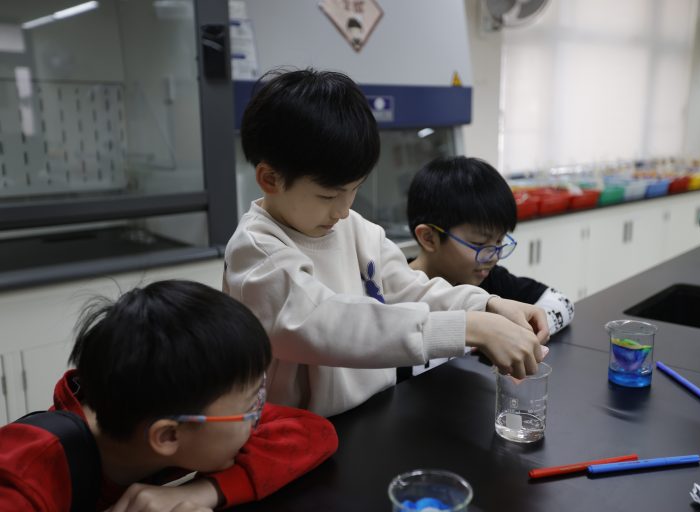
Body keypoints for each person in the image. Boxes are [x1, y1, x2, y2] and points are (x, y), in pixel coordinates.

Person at [224, 68, 549, 418]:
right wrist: (470, 328)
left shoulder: (356, 229)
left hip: (380, 410)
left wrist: (487, 305)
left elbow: (411, 289)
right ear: (270, 179)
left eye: (354, 189)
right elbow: (331, 324)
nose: (343, 210)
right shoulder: (256, 251)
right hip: (304, 431)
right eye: (328, 195)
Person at [0, 280, 337, 511]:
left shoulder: (152, 419)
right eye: (252, 408)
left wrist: (200, 493)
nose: (258, 418)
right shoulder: (23, 480)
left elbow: (313, 432)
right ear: (168, 436)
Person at [406, 156, 574, 376]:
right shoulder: (393, 298)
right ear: (429, 238)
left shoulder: (487, 279)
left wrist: (524, 334)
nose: (493, 256)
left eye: (499, 241)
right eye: (479, 244)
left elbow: (562, 302)